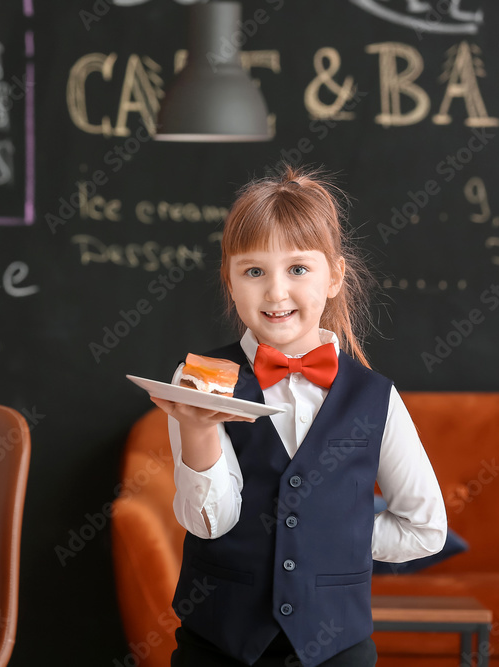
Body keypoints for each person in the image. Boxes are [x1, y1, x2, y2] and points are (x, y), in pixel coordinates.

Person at [150, 164, 447, 667]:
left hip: (337, 651)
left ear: (334, 276)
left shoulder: (376, 397)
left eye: (298, 269)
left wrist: (328, 533)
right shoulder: (200, 383)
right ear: (230, 280)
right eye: (254, 271)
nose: (276, 292)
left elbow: (425, 528)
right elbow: (210, 523)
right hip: (219, 646)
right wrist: (197, 427)